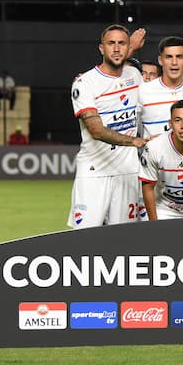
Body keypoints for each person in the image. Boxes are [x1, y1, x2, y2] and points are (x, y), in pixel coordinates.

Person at [68, 24, 147, 229]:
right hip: (94, 170)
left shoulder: (134, 76)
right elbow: (96, 130)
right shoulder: (85, 83)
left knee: (124, 237)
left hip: (127, 170)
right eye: (111, 43)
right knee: (86, 237)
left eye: (122, 43)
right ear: (101, 49)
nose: (117, 48)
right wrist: (134, 141)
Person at [139, 36, 183, 138]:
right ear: (160, 60)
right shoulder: (143, 91)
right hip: (154, 153)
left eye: (179, 57)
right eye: (169, 57)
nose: (174, 62)